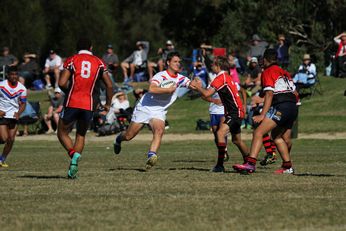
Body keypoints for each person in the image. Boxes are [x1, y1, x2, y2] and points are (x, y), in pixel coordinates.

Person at [113, 51, 194, 169]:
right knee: (129, 136)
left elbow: (192, 85)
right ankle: (118, 139)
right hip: (145, 107)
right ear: (168, 63)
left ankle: (151, 155)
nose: (178, 64)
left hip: (159, 111)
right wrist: (168, 90)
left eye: (179, 62)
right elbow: (152, 88)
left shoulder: (181, 79)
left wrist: (197, 84)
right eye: (175, 62)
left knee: (159, 130)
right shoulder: (160, 76)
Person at [233, 48, 298, 174]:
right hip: (292, 106)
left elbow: (269, 94)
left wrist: (263, 114)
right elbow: (294, 92)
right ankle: (287, 167)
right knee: (276, 137)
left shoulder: (268, 71)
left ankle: (250, 164)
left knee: (258, 132)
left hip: (282, 106)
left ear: (266, 59)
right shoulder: (284, 72)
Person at [57, 38, 113, 179]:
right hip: (89, 104)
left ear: (77, 48)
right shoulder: (99, 62)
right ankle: (73, 166)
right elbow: (109, 85)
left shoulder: (72, 60)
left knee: (62, 133)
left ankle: (73, 155)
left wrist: (70, 91)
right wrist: (107, 104)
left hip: (72, 102)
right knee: (80, 135)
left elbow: (62, 82)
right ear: (91, 47)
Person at [190, 56, 249, 172]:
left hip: (234, 112)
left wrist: (198, 87)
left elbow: (207, 94)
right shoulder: (227, 77)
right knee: (237, 140)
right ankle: (249, 162)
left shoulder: (220, 78)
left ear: (218, 66)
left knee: (220, 133)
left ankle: (220, 165)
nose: (211, 66)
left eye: (213, 64)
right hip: (236, 111)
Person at [0, 66, 27, 167]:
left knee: (11, 139)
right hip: (2, 115)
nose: (14, 76)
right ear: (7, 75)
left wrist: (18, 113)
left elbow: (23, 103)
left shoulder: (22, 88)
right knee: (4, 139)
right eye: (12, 74)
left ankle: (2, 159)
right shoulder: (1, 86)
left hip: (13, 116)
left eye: (16, 74)